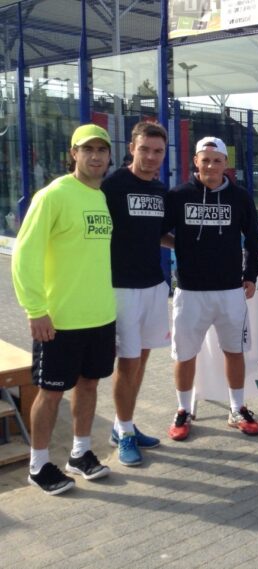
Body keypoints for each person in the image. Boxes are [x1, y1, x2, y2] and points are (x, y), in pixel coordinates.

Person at [12, 124, 116, 495]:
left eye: (101, 150)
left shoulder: (101, 197)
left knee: (89, 385)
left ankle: (80, 453)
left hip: (100, 315)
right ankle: (38, 465)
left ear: (109, 156)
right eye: (87, 149)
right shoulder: (53, 195)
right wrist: (35, 309)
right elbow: (24, 255)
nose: (95, 156)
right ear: (73, 154)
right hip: (59, 319)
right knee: (50, 392)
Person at [164, 136, 258, 441]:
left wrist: (251, 275)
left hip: (230, 290)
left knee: (234, 351)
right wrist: (182, 246)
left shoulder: (240, 197)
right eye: (204, 160)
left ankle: (237, 408)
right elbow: (158, 232)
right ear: (196, 161)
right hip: (190, 291)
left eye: (216, 160)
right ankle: (183, 410)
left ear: (225, 164)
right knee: (185, 354)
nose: (210, 166)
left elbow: (253, 239)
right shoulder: (179, 195)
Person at [102, 121, 171, 467]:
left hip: (154, 286)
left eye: (158, 151)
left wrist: (197, 247)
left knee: (141, 360)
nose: (151, 157)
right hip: (123, 289)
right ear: (131, 148)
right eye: (144, 149)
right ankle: (124, 432)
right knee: (127, 363)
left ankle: (123, 424)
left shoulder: (160, 190)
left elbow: (158, 234)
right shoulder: (112, 186)